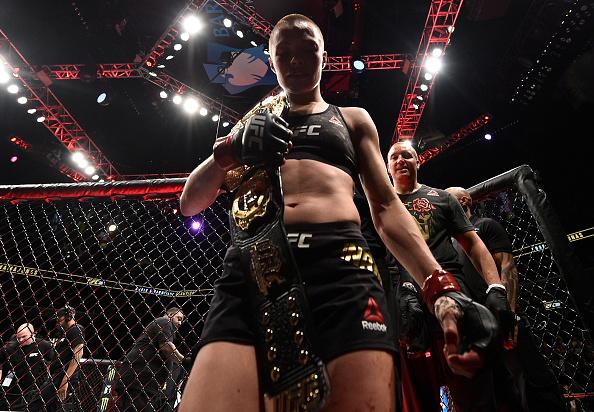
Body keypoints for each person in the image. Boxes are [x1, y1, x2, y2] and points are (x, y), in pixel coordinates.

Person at [179, 14, 497, 412]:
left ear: (324, 57)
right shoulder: (249, 126)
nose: (295, 61)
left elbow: (385, 207)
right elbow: (189, 202)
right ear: (272, 61)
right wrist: (229, 151)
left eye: (307, 51)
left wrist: (441, 290)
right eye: (285, 54)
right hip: (255, 268)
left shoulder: (351, 119)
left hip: (341, 268)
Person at [387, 141, 514, 411]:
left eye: (407, 155)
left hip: (452, 288)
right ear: (387, 167)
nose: (400, 160)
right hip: (405, 298)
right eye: (394, 157)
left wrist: (496, 288)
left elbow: (474, 244)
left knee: (472, 386)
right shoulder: (382, 202)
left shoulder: (442, 198)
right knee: (418, 397)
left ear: (418, 162)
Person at [446, 186, 567, 411]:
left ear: (463, 201)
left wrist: (509, 314)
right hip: (480, 324)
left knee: (532, 380)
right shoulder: (451, 242)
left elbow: (508, 268)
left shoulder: (485, 226)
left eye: (448, 198)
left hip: (503, 316)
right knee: (503, 389)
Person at [117, 307, 187, 411]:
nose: (180, 323)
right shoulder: (164, 321)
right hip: (139, 381)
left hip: (142, 383)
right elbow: (166, 347)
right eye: (179, 318)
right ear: (171, 315)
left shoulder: (163, 327)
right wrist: (185, 361)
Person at [0, 323, 55, 410]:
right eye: (18, 337)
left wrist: (48, 378)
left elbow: (53, 361)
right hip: (9, 389)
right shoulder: (9, 347)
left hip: (30, 390)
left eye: (24, 337)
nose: (21, 340)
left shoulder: (43, 345)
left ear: (33, 334)